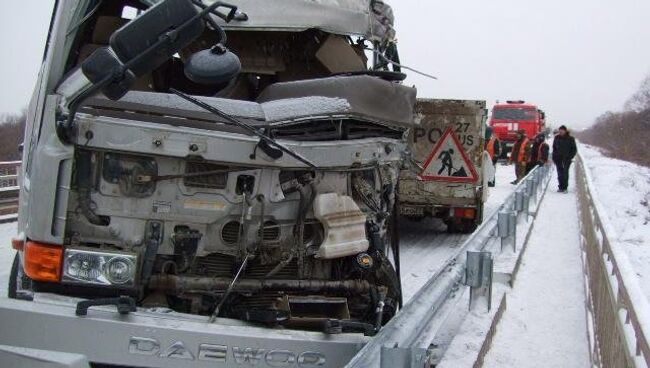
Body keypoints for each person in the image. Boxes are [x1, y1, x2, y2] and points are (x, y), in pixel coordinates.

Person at [552, 125, 577, 192]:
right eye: (560, 131)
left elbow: (574, 149)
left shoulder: (570, 138)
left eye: (562, 131)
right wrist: (554, 157)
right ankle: (560, 187)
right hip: (558, 159)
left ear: (565, 131)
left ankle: (565, 187)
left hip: (566, 159)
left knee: (565, 173)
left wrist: (570, 157)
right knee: (559, 173)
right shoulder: (557, 138)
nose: (561, 132)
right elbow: (554, 148)